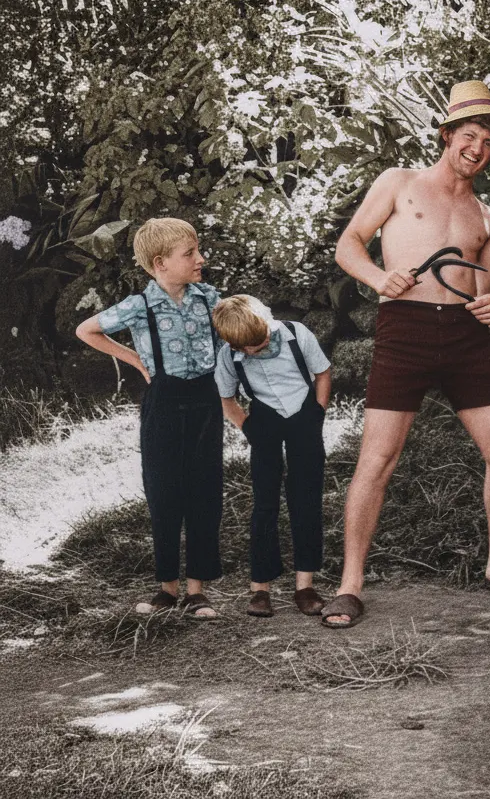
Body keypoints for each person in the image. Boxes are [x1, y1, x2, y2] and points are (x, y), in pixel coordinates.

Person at [324, 81, 490, 628]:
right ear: (447, 135)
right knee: (378, 459)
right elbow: (349, 243)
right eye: (469, 137)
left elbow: (486, 290)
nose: (478, 150)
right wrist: (378, 277)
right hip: (406, 327)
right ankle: (350, 584)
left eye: (488, 144)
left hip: (467, 336)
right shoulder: (400, 183)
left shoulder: (489, 217)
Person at [74, 218, 223, 619]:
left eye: (197, 251)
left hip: (206, 401)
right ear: (160, 263)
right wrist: (135, 359)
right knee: (163, 490)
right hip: (164, 402)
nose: (200, 259)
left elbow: (234, 337)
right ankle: (167, 589)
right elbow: (87, 330)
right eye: (189, 254)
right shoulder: (139, 306)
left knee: (204, 489)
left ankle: (197, 591)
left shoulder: (208, 298)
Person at [212, 295, 331, 619]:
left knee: (306, 498)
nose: (262, 346)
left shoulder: (296, 334)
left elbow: (322, 372)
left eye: (263, 338)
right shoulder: (229, 356)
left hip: (304, 416)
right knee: (265, 502)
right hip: (263, 420)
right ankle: (260, 588)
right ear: (236, 345)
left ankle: (304, 585)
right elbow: (226, 397)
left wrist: (317, 412)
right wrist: (248, 427)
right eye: (253, 346)